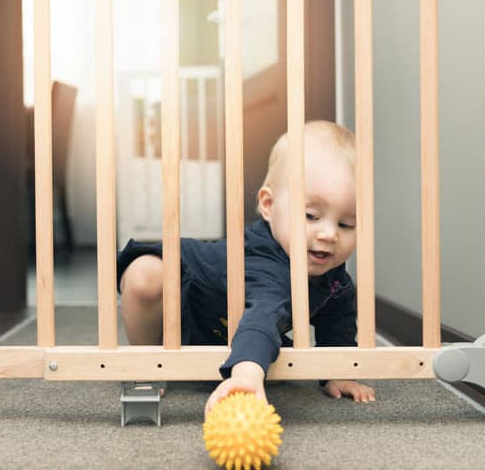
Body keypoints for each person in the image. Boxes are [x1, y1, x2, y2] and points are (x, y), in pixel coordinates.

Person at [116, 120, 375, 416]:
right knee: (144, 276)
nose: (330, 234)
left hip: (219, 328)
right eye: (311, 215)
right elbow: (264, 313)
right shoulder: (266, 264)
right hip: (183, 298)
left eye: (346, 224)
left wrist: (337, 370)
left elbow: (337, 319)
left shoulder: (333, 280)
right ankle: (147, 361)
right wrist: (247, 376)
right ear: (268, 204)